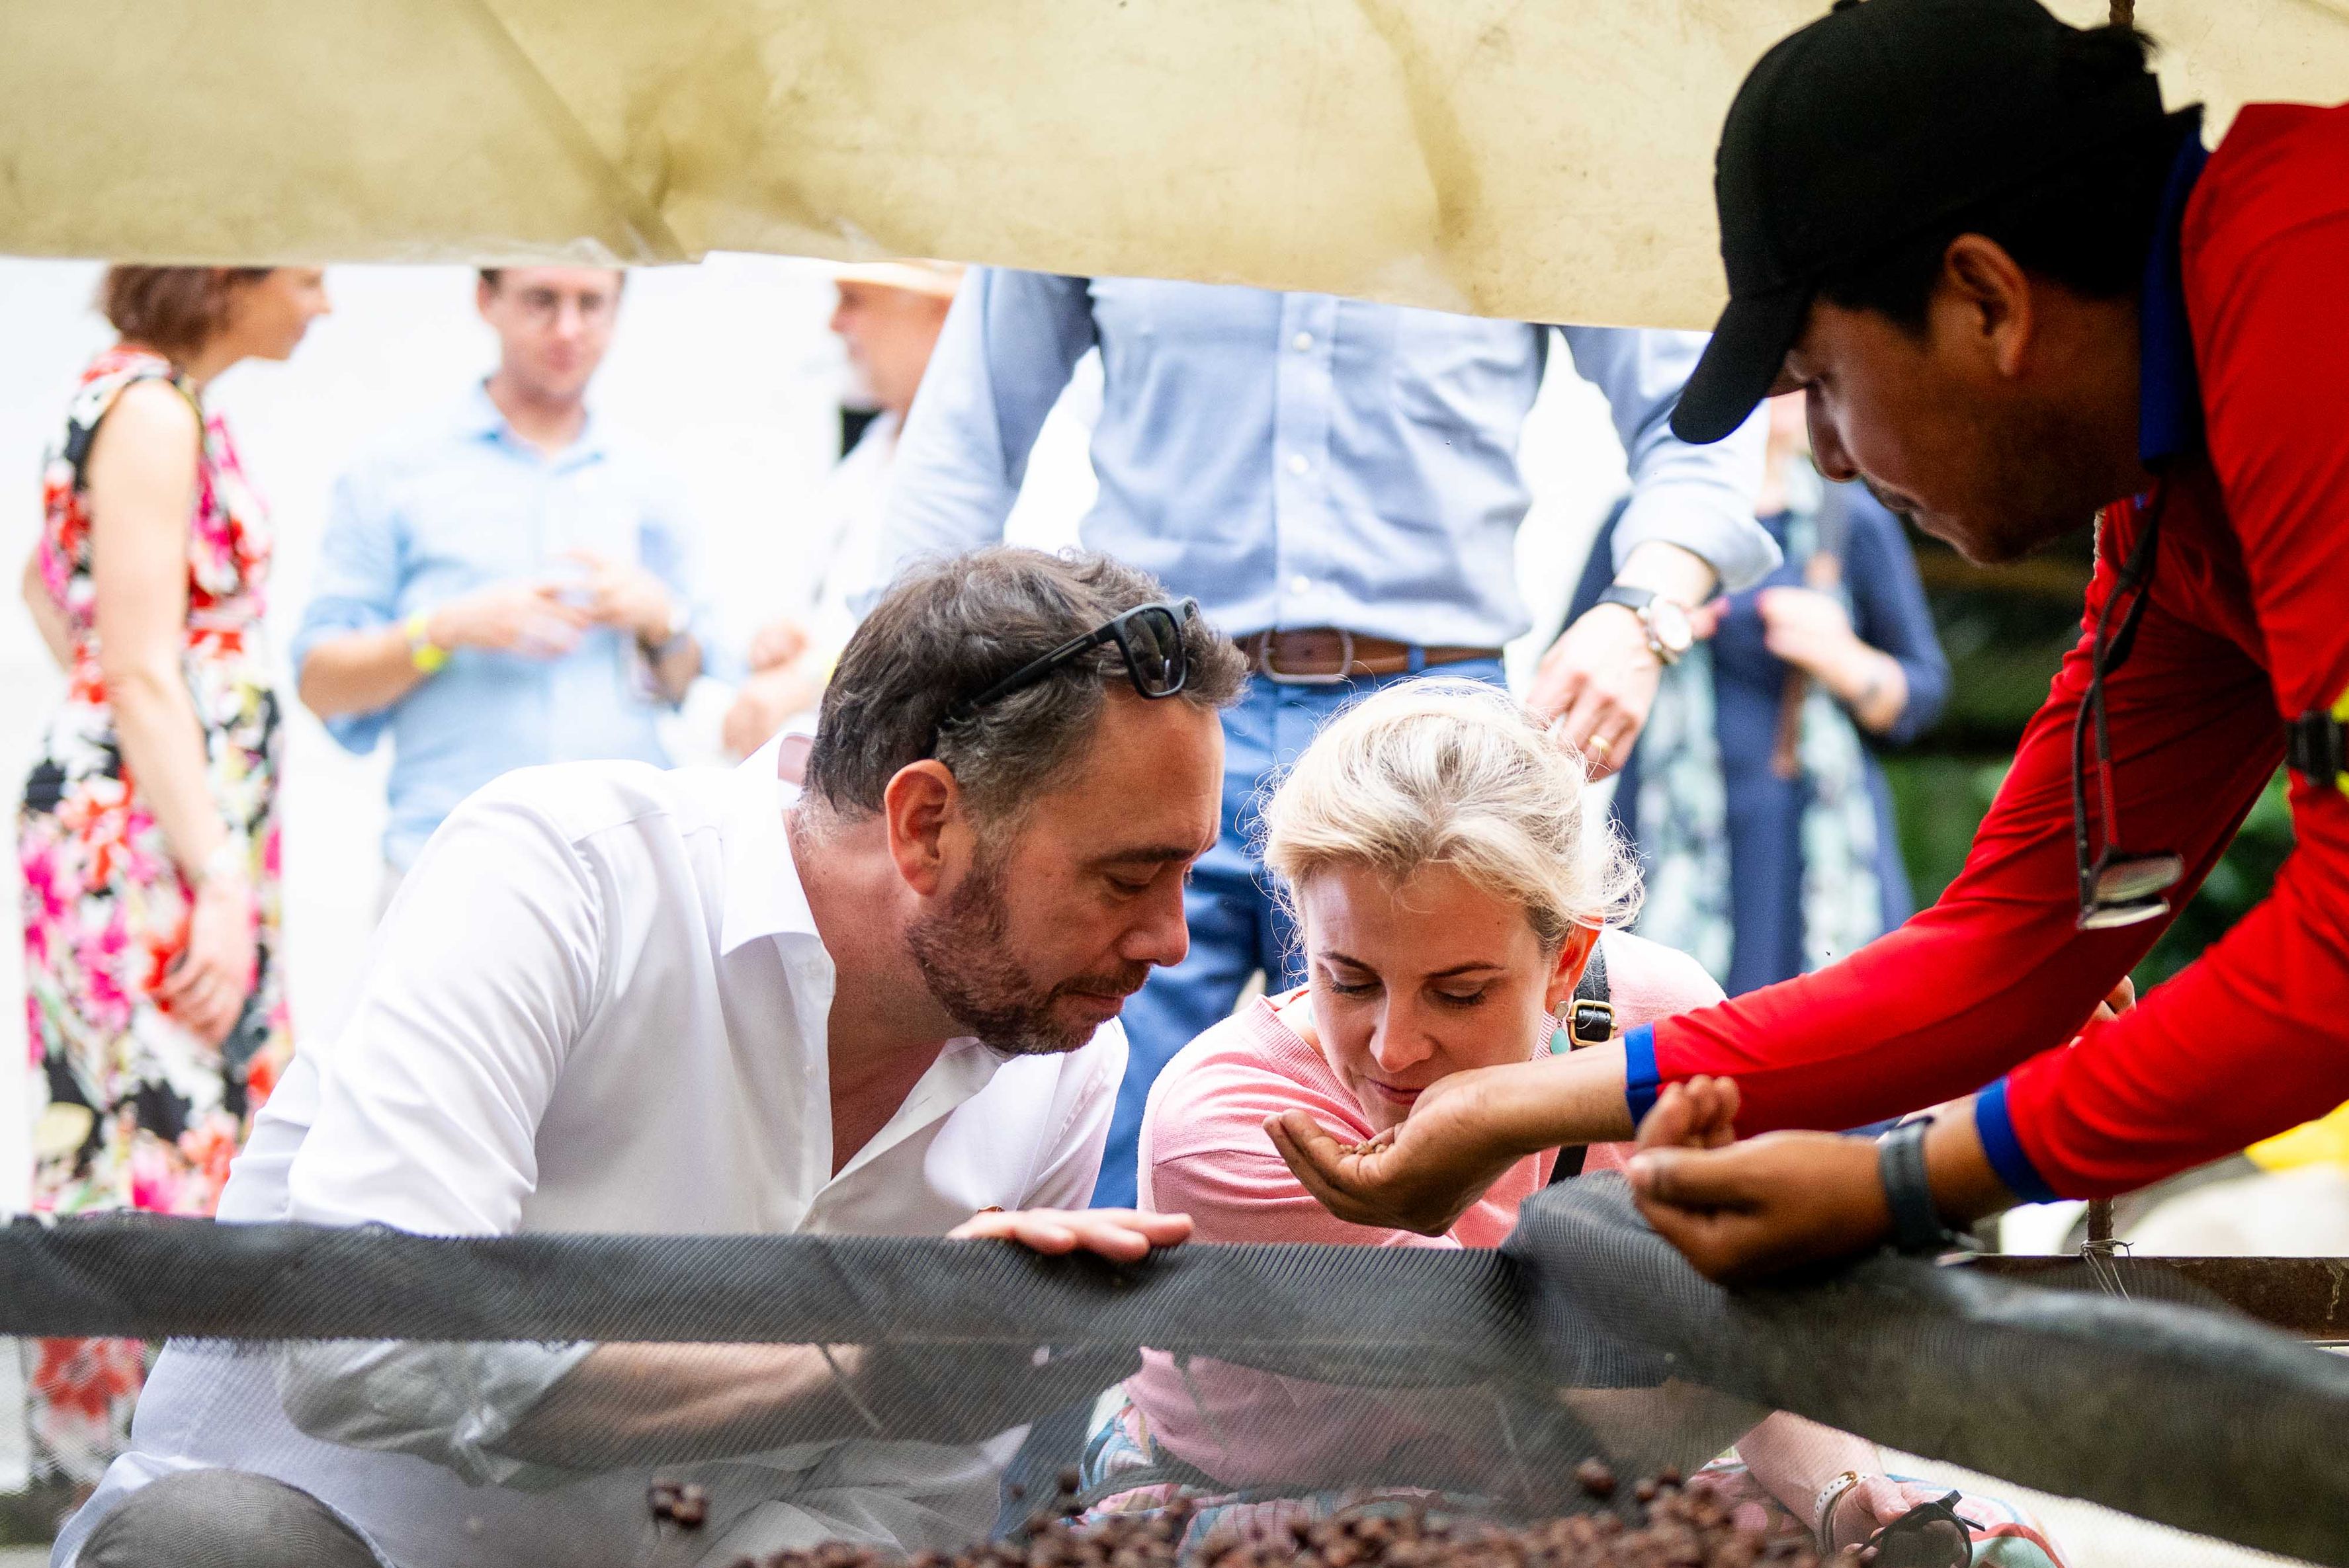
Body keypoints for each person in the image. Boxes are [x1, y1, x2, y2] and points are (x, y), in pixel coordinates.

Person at [1266, 0, 2349, 1294]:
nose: (1827, 459)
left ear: (1983, 301)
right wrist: (1517, 1103)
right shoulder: (2165, 504)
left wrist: (1907, 1178)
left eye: (1823, 385)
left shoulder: (2306, 294)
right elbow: (2010, 949)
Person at [51, 550, 1244, 1568]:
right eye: (1128, 876)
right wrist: (855, 1365)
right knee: (208, 1554)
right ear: (926, 823)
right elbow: (369, 1343)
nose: (1172, 941)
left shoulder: (1066, 1056)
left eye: (1188, 873)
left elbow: (894, 1506)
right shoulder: (561, 875)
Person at [1077, 681, 2066, 1568]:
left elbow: (1729, 1327)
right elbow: (1601, 1419)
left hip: (1591, 1483)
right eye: (1350, 981)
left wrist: (1853, 1498)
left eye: (1460, 990)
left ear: (1567, 960)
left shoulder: (1656, 1017)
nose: (1395, 1046)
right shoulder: (1233, 1119)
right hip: (1290, 1524)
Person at [867, 271, 1779, 1204]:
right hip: (1158, 712)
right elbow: (966, 436)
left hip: (1436, 717)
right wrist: (889, 719)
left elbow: (1698, 400)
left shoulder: (1518, 152)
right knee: (1100, 1124)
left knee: (1484, 1114)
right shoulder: (1103, 151)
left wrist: (1640, 609)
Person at [16, 262, 331, 1493]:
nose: (323, 303)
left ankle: (119, 1456)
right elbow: (140, 665)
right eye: (303, 275)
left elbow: (53, 593)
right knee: (169, 1128)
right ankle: (152, 1466)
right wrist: (211, 875)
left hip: (147, 820)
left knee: (131, 1126)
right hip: (148, 840)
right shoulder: (149, 408)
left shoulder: (140, 397)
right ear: (225, 278)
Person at [292, 267, 713, 907]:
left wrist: (662, 622)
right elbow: (321, 683)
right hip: (449, 874)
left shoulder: (652, 481)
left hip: (626, 880)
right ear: (486, 299)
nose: (568, 328)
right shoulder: (394, 470)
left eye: (590, 303)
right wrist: (441, 631)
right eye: (542, 300)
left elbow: (700, 690)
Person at [1564, 390, 1950, 994]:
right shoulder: (1639, 525)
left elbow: (1919, 697)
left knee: (1825, 1029)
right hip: (1666, 832)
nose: (1792, 390)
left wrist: (1841, 656)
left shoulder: (1852, 524)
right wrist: (1651, 633)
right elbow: (1574, 675)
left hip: (1810, 838)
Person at [722, 262, 963, 762]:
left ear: (940, 317)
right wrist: (783, 642)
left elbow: (976, 644)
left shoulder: (1038, 464)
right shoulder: (874, 451)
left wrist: (813, 676)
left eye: (853, 299)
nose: (836, 323)